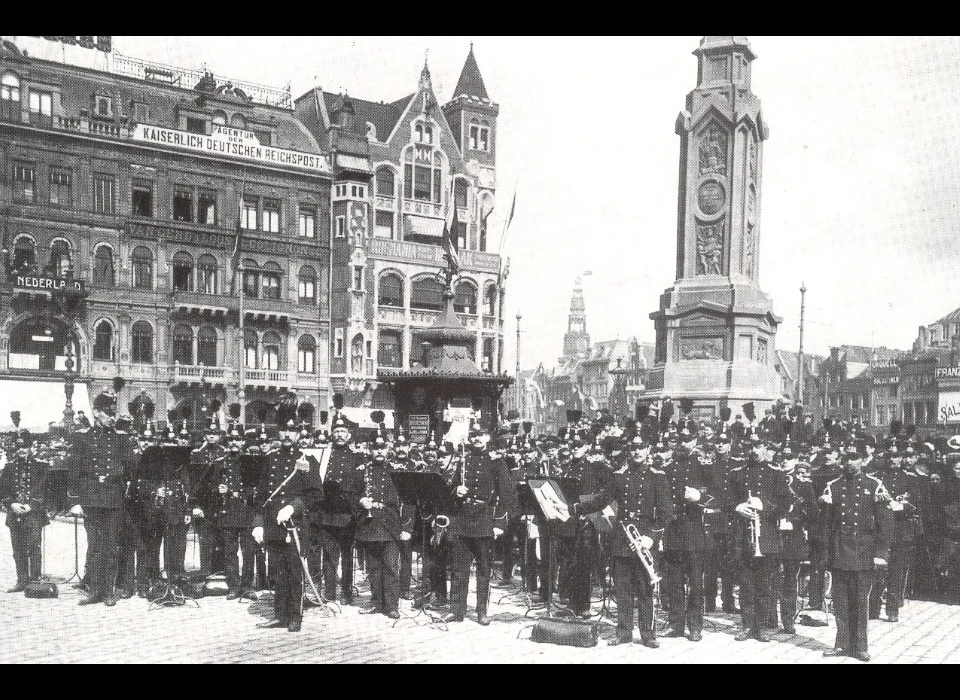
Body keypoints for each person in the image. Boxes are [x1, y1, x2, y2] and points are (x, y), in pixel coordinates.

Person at [574, 436, 673, 647]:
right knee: (622, 588)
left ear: (648, 449)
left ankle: (648, 633)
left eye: (641, 447)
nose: (637, 452)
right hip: (621, 539)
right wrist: (576, 507)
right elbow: (602, 500)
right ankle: (624, 631)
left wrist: (652, 537)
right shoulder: (619, 476)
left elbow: (666, 513)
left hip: (644, 538)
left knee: (646, 589)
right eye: (634, 447)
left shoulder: (658, 477)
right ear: (630, 450)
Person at [66, 389, 140, 606]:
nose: (112, 418)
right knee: (95, 545)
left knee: (110, 545)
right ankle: (95, 591)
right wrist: (75, 500)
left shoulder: (121, 439)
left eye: (113, 413)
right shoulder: (83, 438)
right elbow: (74, 470)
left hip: (113, 498)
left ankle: (108, 591)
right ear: (96, 412)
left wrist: (127, 486)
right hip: (90, 497)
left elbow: (133, 468)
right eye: (108, 414)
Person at [820, 448, 892, 662]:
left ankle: (860, 646)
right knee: (840, 601)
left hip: (864, 549)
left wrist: (881, 553)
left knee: (861, 601)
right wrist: (826, 552)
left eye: (854, 459)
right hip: (840, 548)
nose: (849, 463)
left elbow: (884, 524)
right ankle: (842, 644)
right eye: (846, 459)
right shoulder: (833, 487)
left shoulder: (874, 485)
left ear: (863, 460)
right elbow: (826, 525)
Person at [443, 427, 518, 625]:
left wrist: (499, 522)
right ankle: (456, 610)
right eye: (473, 435)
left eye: (480, 435)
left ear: (487, 437)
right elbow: (450, 486)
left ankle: (481, 611)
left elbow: (507, 494)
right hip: (463, 519)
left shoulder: (496, 462)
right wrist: (456, 490)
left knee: (484, 569)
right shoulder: (463, 459)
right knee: (459, 569)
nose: (476, 439)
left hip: (484, 518)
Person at [253, 429, 322, 632]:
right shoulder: (269, 459)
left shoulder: (307, 459)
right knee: (277, 571)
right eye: (284, 430)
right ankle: (280, 615)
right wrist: (258, 523)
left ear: (298, 434)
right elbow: (260, 496)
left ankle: (294, 616)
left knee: (294, 571)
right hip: (274, 523)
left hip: (295, 524)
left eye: (292, 431)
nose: (287, 435)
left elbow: (316, 494)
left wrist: (294, 506)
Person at [729, 434, 790, 642]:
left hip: (767, 536)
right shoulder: (737, 473)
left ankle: (763, 626)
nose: (754, 450)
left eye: (758, 446)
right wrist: (737, 507)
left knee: (765, 583)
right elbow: (727, 500)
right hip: (744, 535)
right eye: (750, 446)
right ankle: (747, 625)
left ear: (766, 448)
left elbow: (785, 504)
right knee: (746, 583)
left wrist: (765, 507)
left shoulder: (776, 474)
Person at [661, 427, 714, 641]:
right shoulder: (668, 467)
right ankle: (676, 624)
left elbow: (716, 491)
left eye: (688, 439)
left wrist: (700, 496)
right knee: (674, 581)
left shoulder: (702, 465)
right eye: (680, 440)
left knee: (695, 582)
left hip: (693, 530)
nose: (683, 444)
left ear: (695, 440)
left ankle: (695, 626)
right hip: (673, 530)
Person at [868, 439, 923, 622]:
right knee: (876, 569)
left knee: (895, 571)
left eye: (897, 456)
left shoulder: (909, 478)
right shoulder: (875, 477)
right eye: (890, 456)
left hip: (900, 530)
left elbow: (915, 502)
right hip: (879, 529)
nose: (893, 459)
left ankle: (892, 610)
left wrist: (897, 506)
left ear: (902, 457)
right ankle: (873, 608)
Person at [353, 430, 406, 619]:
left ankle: (391, 605)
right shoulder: (362, 471)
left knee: (391, 566)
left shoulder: (397, 470)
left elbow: (407, 501)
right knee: (374, 566)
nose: (379, 452)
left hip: (391, 524)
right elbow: (353, 494)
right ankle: (376, 601)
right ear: (370, 450)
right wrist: (361, 501)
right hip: (370, 523)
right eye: (376, 448)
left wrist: (406, 527)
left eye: (382, 447)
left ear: (388, 448)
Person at [320, 415, 362, 604]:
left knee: (347, 556)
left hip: (347, 514)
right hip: (327, 512)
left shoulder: (357, 458)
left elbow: (360, 485)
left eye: (343, 431)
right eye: (336, 431)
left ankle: (346, 592)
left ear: (349, 435)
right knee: (329, 556)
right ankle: (329, 593)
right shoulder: (324, 456)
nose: (339, 435)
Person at [2, 429, 50, 592]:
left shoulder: (41, 466)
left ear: (31, 447)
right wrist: (12, 505)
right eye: (18, 447)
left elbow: (44, 488)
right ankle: (22, 580)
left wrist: (32, 505)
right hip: (14, 513)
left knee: (34, 547)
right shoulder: (8, 468)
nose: (21, 450)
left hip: (34, 513)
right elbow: (3, 490)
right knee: (18, 548)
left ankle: (35, 580)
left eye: (25, 446)